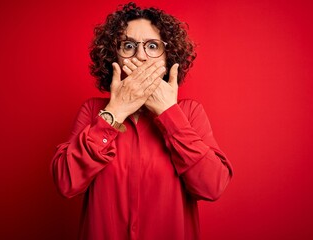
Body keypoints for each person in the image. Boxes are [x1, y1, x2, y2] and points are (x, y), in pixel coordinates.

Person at [51, 2, 233, 240]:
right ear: (113, 56)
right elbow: (66, 182)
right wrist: (115, 111)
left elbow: (212, 186)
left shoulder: (190, 113)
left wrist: (169, 114)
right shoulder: (93, 110)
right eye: (128, 46)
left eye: (152, 46)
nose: (140, 55)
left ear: (168, 56)